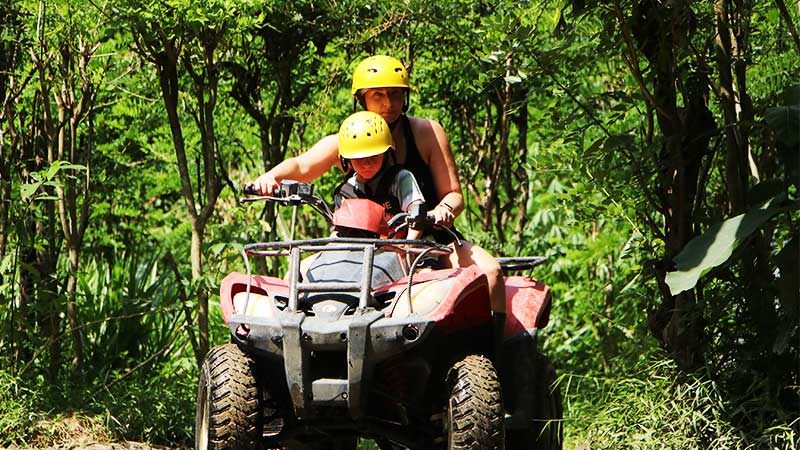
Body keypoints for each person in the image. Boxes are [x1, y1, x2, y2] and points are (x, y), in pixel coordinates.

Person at [248, 55, 507, 345]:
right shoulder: (350, 140)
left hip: (427, 242)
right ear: (362, 99)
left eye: (395, 94)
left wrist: (442, 210)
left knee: (491, 272)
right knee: (297, 274)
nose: (388, 104)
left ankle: (489, 363)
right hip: (359, 248)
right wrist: (269, 178)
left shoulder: (426, 132)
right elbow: (302, 166)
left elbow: (454, 194)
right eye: (378, 95)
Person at [333, 110, 425, 240]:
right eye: (359, 158)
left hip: (402, 251)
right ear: (346, 159)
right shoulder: (345, 193)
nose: (367, 163)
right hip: (360, 256)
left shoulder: (400, 179)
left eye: (374, 156)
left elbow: (417, 212)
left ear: (386, 154)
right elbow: (337, 232)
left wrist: (409, 246)